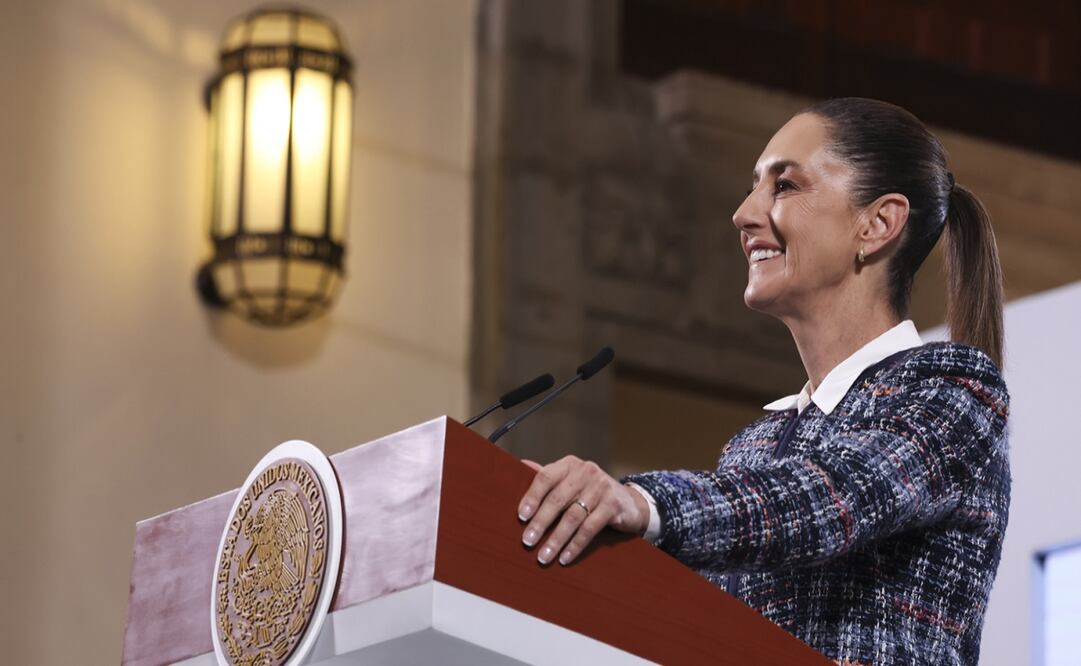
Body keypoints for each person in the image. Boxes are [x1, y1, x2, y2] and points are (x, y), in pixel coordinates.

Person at [515, 97, 1009, 666]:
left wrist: (637, 502)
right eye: (755, 185)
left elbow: (830, 500)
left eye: (785, 186)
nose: (744, 213)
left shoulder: (952, 394)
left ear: (877, 224)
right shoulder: (753, 447)